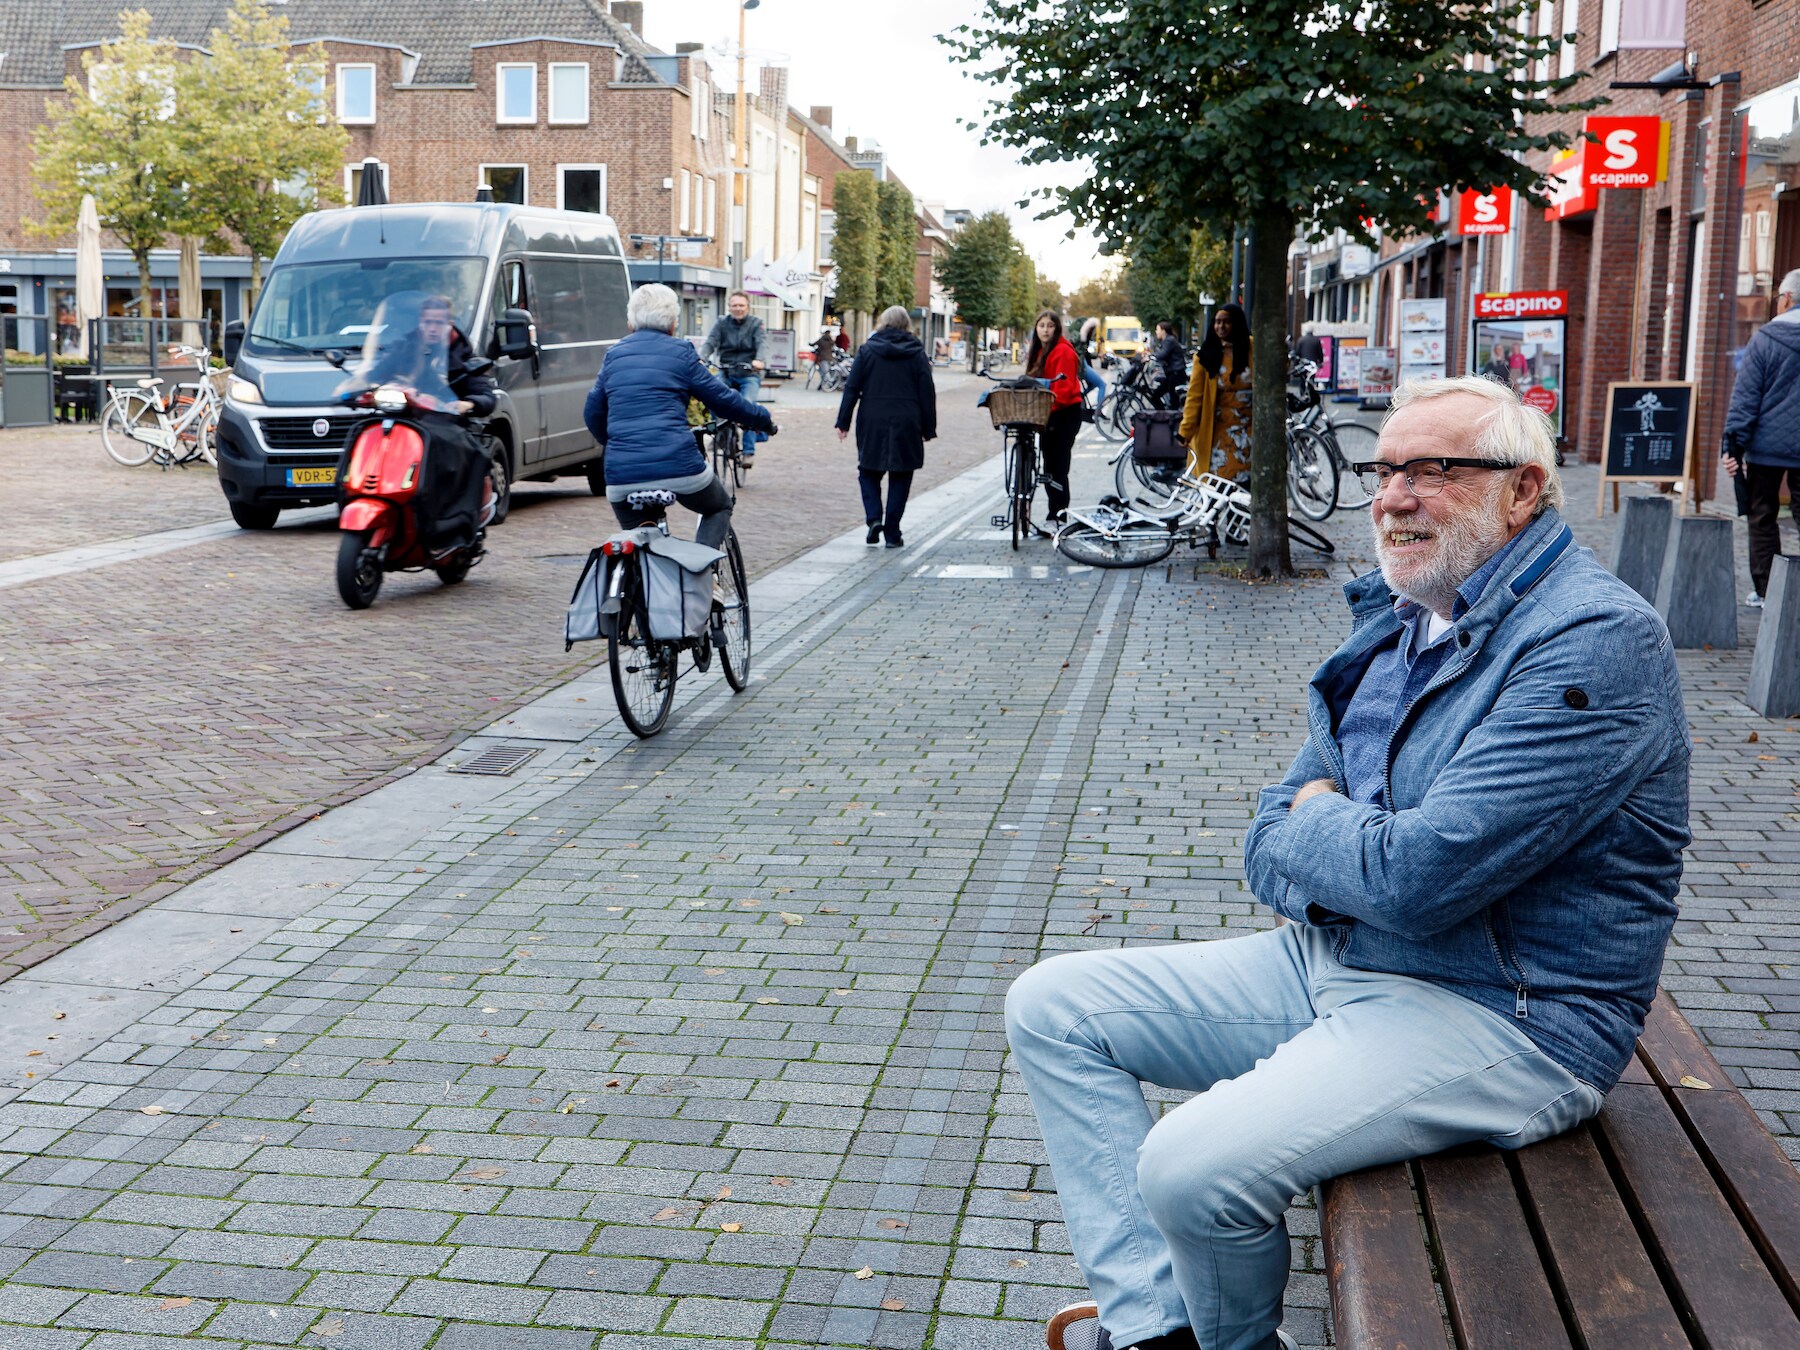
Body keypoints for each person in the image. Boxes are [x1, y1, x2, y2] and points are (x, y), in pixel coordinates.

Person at [1008, 375, 1690, 1350]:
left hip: (1507, 1010)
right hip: (1350, 958)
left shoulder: (1592, 640)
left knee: (1188, 1166)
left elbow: (1423, 878)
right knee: (1053, 1007)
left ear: (1525, 490)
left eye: (1434, 470)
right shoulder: (1407, 617)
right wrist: (1338, 839)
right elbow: (1269, 835)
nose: (1393, 495)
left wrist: (1331, 833)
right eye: (1385, 470)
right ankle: (1157, 1329)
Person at [585, 284, 774, 551]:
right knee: (719, 507)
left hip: (621, 473)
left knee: (637, 542)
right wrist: (762, 418)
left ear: (630, 323)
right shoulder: (681, 353)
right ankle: (704, 576)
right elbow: (723, 399)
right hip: (677, 464)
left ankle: (635, 585)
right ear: (673, 324)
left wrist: (615, 441)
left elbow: (592, 412)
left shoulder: (613, 355)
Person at [358, 292, 496, 554]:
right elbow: (375, 374)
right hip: (407, 422)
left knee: (455, 455)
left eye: (439, 322)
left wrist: (468, 403)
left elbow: (485, 393)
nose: (433, 328)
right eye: (428, 322)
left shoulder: (463, 355)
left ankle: (449, 523)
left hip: (444, 425)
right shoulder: (405, 348)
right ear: (420, 322)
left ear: (449, 323)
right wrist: (357, 387)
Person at [1721, 267, 1800, 608]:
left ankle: (1769, 591)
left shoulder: (1766, 338)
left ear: (1787, 299)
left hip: (1766, 447)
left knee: (1763, 514)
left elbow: (1746, 397)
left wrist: (1732, 444)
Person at [835, 305, 936, 549]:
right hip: (906, 419)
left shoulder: (867, 351)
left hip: (873, 417)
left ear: (882, 323)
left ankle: (873, 518)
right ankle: (892, 532)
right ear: (906, 325)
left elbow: (852, 387)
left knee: (868, 471)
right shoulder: (917, 352)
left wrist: (843, 421)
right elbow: (927, 392)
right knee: (901, 475)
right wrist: (928, 427)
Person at [1178, 304, 1253, 486]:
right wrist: (1184, 432)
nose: (1221, 327)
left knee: (1246, 485)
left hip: (1250, 430)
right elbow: (1194, 397)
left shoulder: (1252, 348)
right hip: (1217, 433)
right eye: (1217, 322)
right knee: (1220, 482)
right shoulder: (1205, 356)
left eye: (1227, 322)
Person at [1023, 310, 1084, 527]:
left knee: (1057, 466)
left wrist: (1045, 406)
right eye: (1042, 326)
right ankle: (1054, 512)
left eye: (1050, 326)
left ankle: (1057, 515)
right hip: (1049, 412)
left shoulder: (1063, 352)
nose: (1045, 330)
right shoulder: (1041, 351)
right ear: (1036, 328)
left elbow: (1064, 390)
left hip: (1063, 413)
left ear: (1056, 328)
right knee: (1050, 463)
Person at [700, 291, 768, 465]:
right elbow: (711, 342)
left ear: (748, 307)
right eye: (734, 305)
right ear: (729, 307)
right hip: (727, 370)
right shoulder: (722, 323)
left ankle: (748, 451)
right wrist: (702, 358)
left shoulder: (756, 324)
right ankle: (722, 437)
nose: (738, 309)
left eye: (741, 305)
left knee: (748, 407)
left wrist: (759, 360)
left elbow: (761, 343)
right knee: (713, 399)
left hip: (748, 373)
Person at [1151, 321, 1187, 409]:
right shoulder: (1168, 340)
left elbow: (1163, 354)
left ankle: (1167, 418)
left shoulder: (1169, 340)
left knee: (1171, 400)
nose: (1156, 332)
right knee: (1160, 396)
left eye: (1157, 329)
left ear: (1163, 331)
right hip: (1173, 373)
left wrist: (1151, 356)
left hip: (1175, 374)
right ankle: (1166, 417)